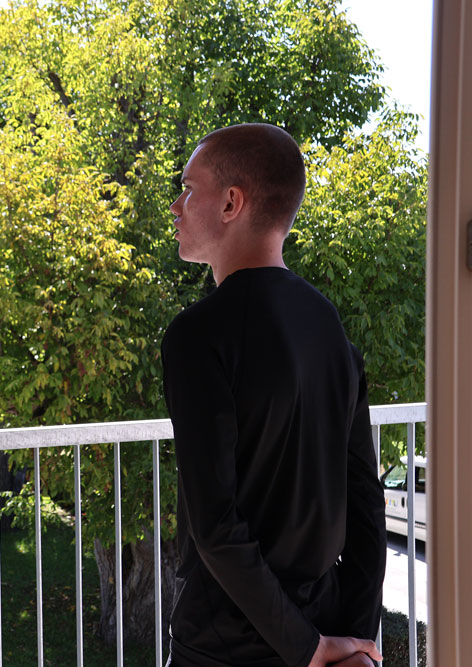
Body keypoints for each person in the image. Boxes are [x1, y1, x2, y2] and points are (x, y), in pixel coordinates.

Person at [161, 123, 387, 667]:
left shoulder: (197, 335)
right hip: (321, 626)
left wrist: (307, 648)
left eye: (188, 189)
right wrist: (353, 641)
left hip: (225, 647)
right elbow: (366, 502)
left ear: (231, 203)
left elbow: (216, 526)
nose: (176, 205)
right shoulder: (329, 327)